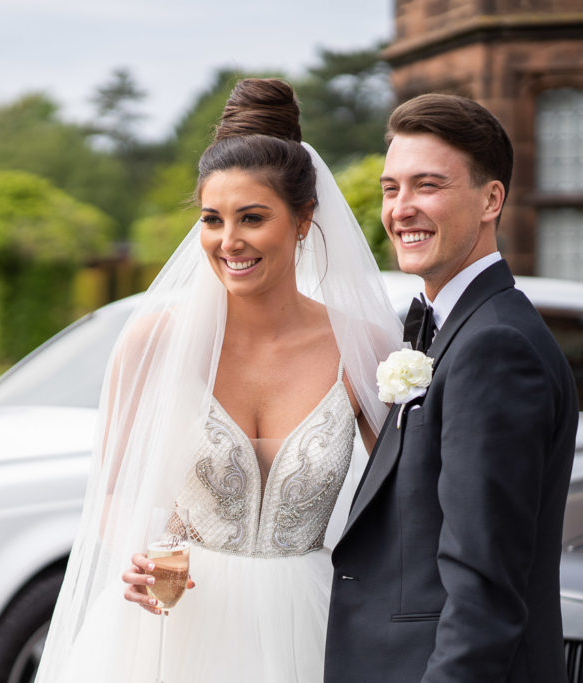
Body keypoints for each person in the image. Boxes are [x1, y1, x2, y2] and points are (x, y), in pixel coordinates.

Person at [33, 78, 401, 683]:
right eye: (212, 219)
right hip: (170, 627)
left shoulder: (365, 349)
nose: (229, 242)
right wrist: (136, 557)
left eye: (252, 218)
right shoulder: (154, 341)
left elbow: (402, 506)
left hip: (308, 625)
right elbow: (109, 493)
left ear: (304, 219)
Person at [324, 94, 579, 682]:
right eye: (391, 189)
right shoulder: (444, 330)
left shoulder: (496, 347)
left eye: (428, 185)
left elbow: (484, 585)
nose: (402, 208)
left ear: (492, 199)